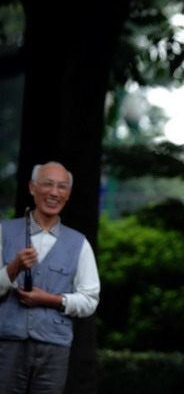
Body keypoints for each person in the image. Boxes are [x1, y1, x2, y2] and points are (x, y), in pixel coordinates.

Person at [0, 161, 101, 394]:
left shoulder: (79, 243)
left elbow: (90, 301)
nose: (54, 192)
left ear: (68, 194)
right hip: (7, 343)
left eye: (61, 186)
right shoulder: (4, 231)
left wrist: (51, 300)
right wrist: (12, 268)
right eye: (47, 184)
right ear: (32, 188)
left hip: (54, 348)